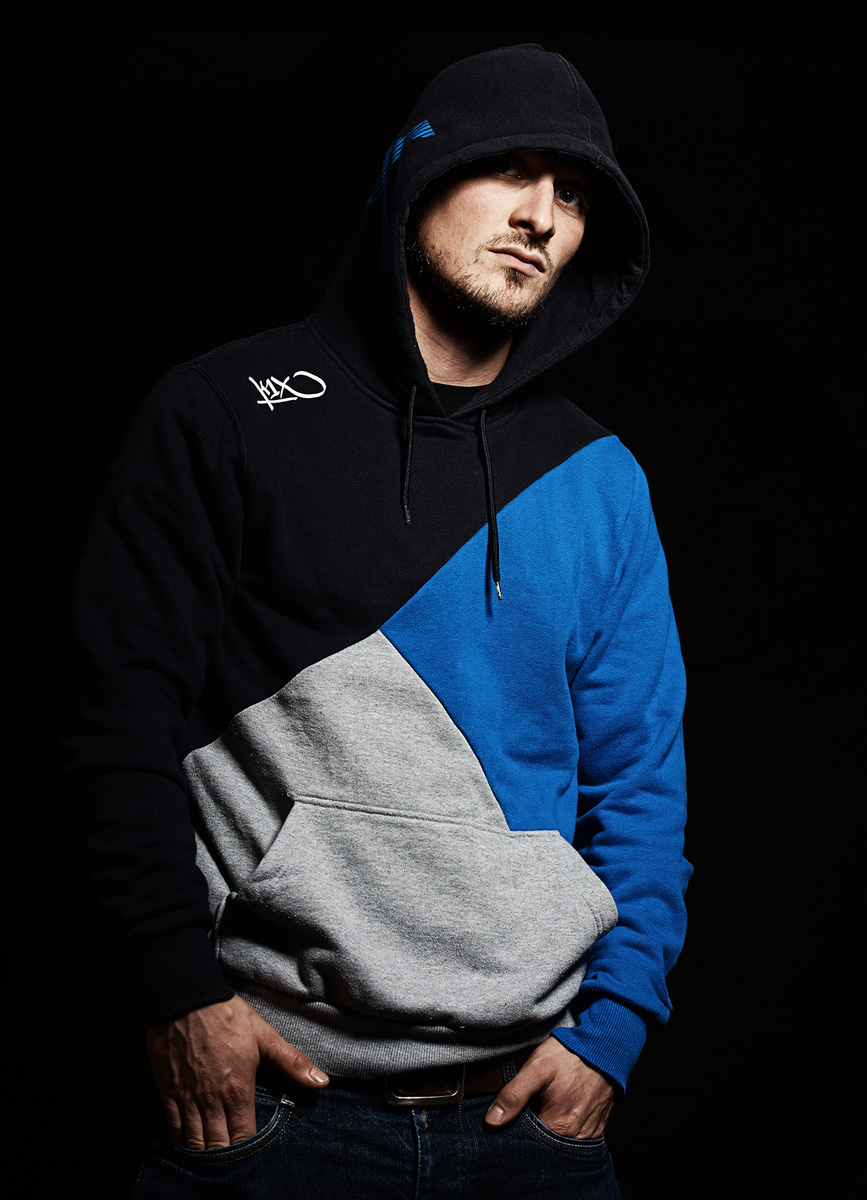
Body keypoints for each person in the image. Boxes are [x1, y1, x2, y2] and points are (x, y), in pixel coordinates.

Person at [65, 43, 690, 1198]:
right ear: (420, 170)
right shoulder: (224, 414)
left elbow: (642, 781)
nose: (542, 216)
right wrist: (177, 993)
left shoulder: (601, 480)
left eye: (574, 196)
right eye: (512, 169)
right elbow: (116, 717)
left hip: (530, 1129)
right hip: (269, 1113)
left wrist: (612, 1034)